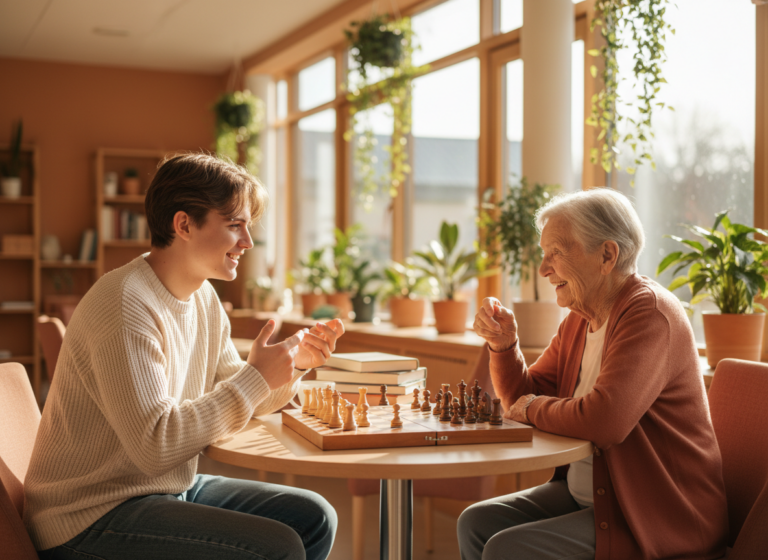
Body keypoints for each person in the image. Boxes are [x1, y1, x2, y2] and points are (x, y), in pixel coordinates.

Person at [24, 153, 344, 560]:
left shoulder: (202, 297)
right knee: (278, 547)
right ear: (183, 225)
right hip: (87, 515)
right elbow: (155, 446)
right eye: (234, 225)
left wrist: (290, 367)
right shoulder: (126, 304)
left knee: (315, 516)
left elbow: (243, 395)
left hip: (158, 487)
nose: (247, 241)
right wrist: (256, 378)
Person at [459, 188, 728, 560]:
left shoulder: (649, 313)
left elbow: (605, 420)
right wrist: (505, 346)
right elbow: (524, 395)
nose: (543, 269)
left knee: (507, 548)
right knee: (476, 522)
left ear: (606, 255)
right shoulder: (579, 320)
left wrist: (533, 407)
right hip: (597, 493)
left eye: (556, 253)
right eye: (543, 254)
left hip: (656, 513)